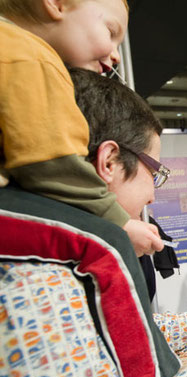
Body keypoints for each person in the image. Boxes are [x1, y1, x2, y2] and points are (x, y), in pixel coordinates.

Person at [0, 68, 187, 377]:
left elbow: (108, 338)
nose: (152, 195)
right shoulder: (38, 272)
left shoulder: (62, 249)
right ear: (109, 162)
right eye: (155, 172)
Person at [0, 0, 163, 257]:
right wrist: (117, 225)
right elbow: (54, 166)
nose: (116, 55)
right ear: (55, 4)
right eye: (110, 31)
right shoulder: (31, 57)